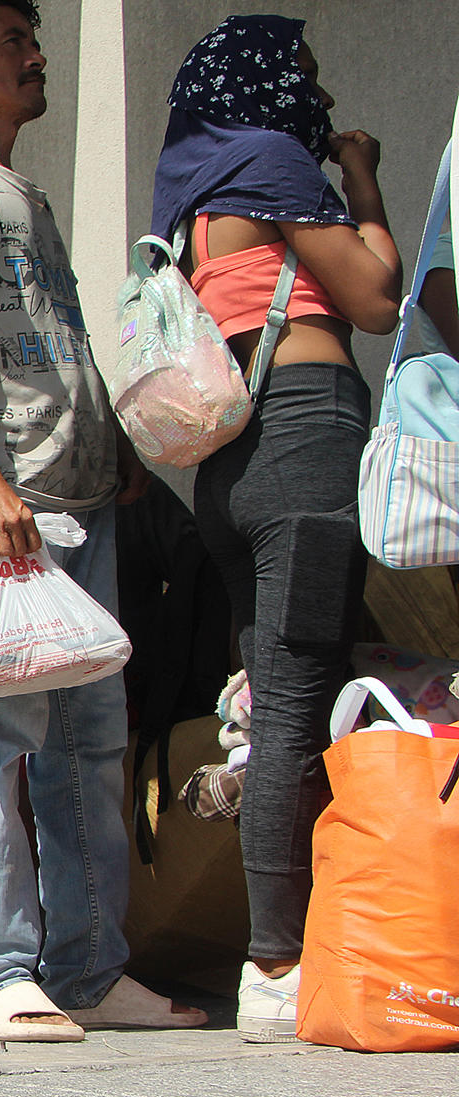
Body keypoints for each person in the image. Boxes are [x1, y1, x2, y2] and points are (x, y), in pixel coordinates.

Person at [0, 0, 203, 1040]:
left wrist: (108, 452)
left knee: (90, 739)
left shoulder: (25, 190)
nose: (36, 55)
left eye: (37, 37)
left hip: (70, 499)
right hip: (1, 501)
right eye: (13, 41)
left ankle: (86, 967)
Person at [151, 15, 401, 1042]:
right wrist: (362, 180)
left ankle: (296, 935)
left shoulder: (194, 189)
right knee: (299, 703)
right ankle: (274, 959)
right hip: (302, 441)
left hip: (229, 466)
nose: (321, 93)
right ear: (262, 84)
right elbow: (376, 294)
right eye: (303, 71)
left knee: (277, 701)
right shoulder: (275, 159)